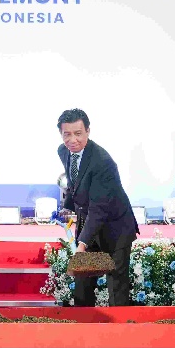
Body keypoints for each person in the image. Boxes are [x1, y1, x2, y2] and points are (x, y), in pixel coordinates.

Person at [56, 108, 139, 306]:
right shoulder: (63, 151)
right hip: (89, 223)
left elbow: (99, 208)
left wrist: (82, 245)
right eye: (67, 134)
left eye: (78, 133)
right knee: (82, 283)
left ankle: (119, 324)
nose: (72, 140)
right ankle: (83, 322)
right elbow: (75, 182)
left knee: (116, 286)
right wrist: (68, 207)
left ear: (88, 131)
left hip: (115, 227)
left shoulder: (102, 162)